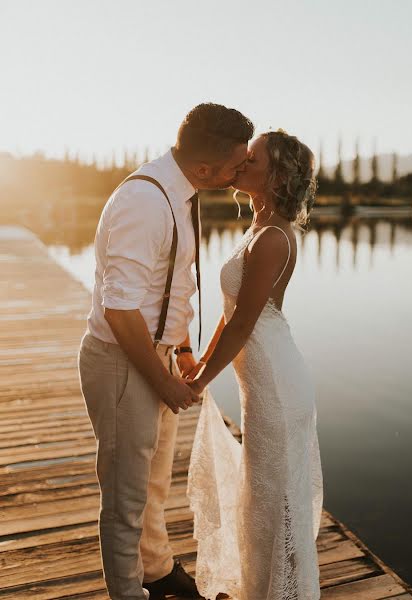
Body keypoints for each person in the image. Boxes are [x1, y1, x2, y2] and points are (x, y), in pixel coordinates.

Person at [77, 103, 254, 600]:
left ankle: (156, 570)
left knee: (153, 484)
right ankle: (128, 592)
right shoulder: (145, 202)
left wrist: (180, 351)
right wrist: (162, 383)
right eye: (237, 164)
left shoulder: (183, 190)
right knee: (125, 495)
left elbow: (168, 286)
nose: (242, 172)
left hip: (158, 355)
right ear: (205, 168)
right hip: (121, 362)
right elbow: (120, 309)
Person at [186, 130, 324, 600]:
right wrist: (200, 363)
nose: (242, 162)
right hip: (261, 383)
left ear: (277, 174)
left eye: (253, 158)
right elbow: (232, 319)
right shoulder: (259, 228)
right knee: (262, 498)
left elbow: (243, 324)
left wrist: (201, 379)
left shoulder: (271, 238)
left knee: (276, 501)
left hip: (277, 388)